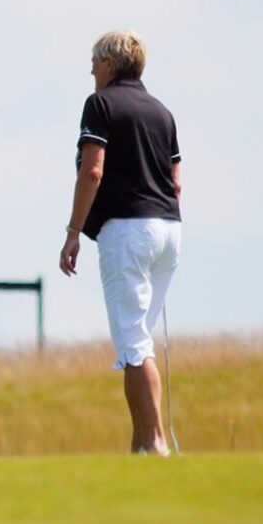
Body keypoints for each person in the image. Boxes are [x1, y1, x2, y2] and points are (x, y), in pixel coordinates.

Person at [57, 28, 181, 455]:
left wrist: (73, 232)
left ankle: (156, 443)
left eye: (94, 62)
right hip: (168, 228)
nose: (91, 70)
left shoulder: (100, 104)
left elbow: (92, 171)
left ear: (109, 64)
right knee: (141, 341)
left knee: (132, 344)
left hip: (128, 231)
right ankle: (141, 446)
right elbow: (176, 182)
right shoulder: (162, 111)